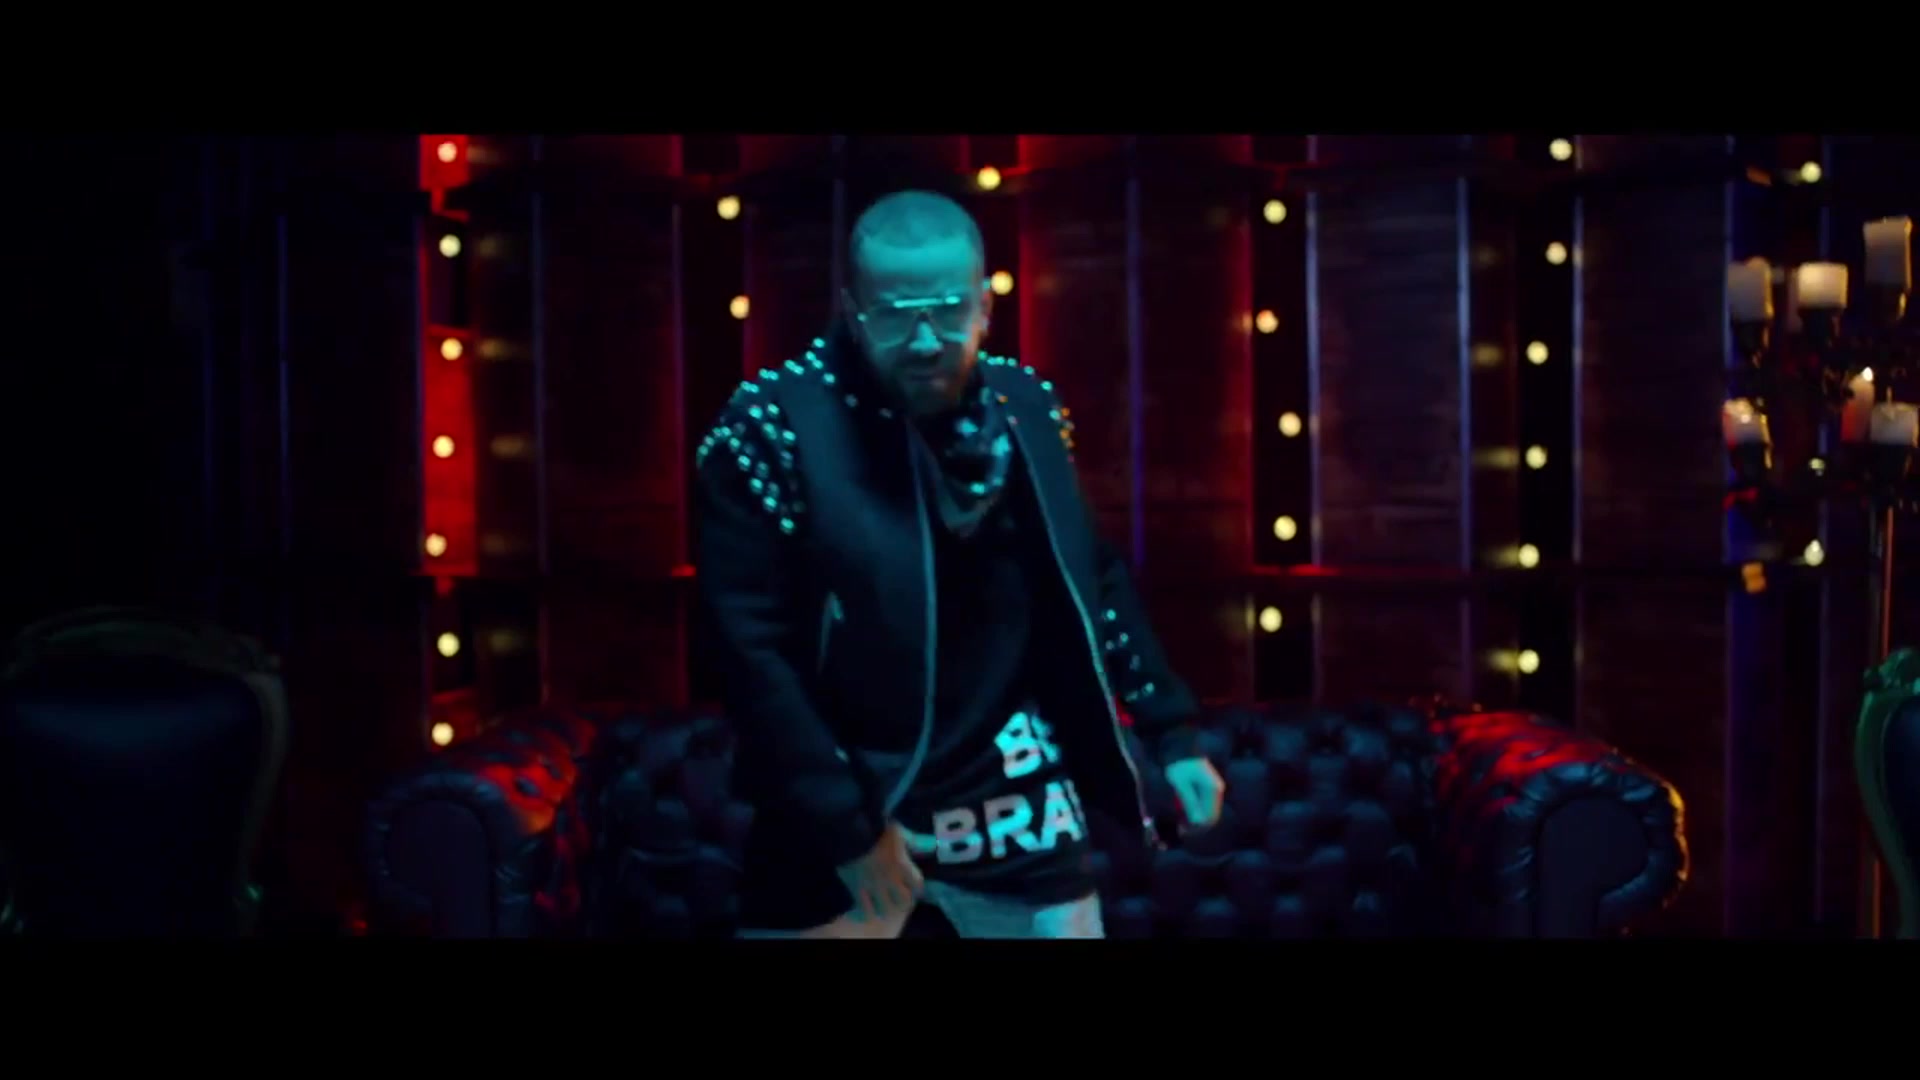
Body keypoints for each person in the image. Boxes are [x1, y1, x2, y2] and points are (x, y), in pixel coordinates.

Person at [694, 189, 1225, 939]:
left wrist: (1173, 736)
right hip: (847, 814)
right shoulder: (771, 429)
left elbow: (1093, 578)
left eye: (948, 311)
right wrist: (846, 831)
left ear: (985, 307)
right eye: (894, 314)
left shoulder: (1024, 410)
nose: (923, 341)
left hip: (1018, 818)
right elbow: (750, 656)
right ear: (851, 308)